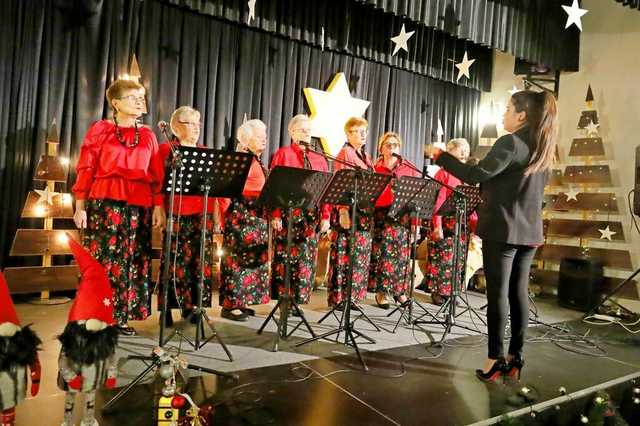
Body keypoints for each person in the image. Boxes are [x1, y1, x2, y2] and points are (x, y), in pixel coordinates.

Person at [432, 90, 558, 381]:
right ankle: (516, 357)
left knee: (498, 295)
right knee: (518, 294)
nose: (503, 115)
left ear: (521, 115)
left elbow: (477, 175)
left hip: (503, 230)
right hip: (529, 232)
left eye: (507, 109)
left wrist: (442, 158)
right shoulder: (544, 146)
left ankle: (495, 359)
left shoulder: (511, 142)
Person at [72, 79, 166, 336]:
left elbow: (156, 175)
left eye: (141, 96)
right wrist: (80, 206)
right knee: (104, 260)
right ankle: (97, 315)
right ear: (115, 102)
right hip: (105, 201)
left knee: (133, 260)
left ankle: (122, 316)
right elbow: (86, 167)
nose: (139, 101)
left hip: (139, 205)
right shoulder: (100, 129)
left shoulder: (148, 135)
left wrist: (159, 206)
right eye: (133, 96)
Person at [157, 107, 216, 327]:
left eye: (198, 123)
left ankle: (191, 307)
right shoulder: (167, 150)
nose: (196, 128)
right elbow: (157, 184)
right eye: (191, 123)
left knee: (198, 263)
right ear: (176, 126)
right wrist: (160, 209)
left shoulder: (205, 151)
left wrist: (215, 216)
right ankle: (166, 309)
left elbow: (213, 190)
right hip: (176, 212)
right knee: (173, 262)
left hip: (202, 214)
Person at [269, 115, 330, 314]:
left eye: (309, 130)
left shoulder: (319, 158)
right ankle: (284, 300)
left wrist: (326, 216)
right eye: (302, 130)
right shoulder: (283, 154)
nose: (306, 133)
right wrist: (276, 214)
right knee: (286, 258)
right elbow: (274, 186)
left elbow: (324, 190)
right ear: (291, 132)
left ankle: (298, 299)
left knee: (306, 259)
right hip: (288, 215)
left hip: (310, 217)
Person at [219, 119, 271, 321]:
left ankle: (244, 300)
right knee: (237, 260)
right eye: (259, 136)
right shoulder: (240, 159)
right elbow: (225, 190)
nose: (264, 139)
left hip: (256, 214)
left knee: (251, 260)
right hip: (241, 213)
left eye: (264, 135)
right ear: (247, 139)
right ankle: (230, 304)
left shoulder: (256, 160)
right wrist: (224, 216)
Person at [368, 132, 420, 309]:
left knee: (401, 256)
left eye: (395, 145)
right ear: (381, 148)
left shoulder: (408, 168)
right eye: (388, 144)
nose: (392, 148)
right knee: (382, 255)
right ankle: (381, 293)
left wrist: (415, 226)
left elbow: (415, 199)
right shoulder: (375, 167)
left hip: (402, 217)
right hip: (381, 216)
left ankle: (400, 292)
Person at [327, 117, 374, 308]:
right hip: (349, 211)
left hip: (364, 214)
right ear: (348, 134)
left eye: (364, 131)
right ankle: (339, 298)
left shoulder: (366, 156)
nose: (363, 134)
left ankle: (351, 296)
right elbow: (341, 185)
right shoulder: (345, 153)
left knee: (358, 256)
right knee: (344, 254)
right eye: (357, 131)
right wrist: (343, 211)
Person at [423, 138, 476, 306]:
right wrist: (437, 225)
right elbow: (437, 200)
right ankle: (438, 292)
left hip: (462, 224)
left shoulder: (468, 173)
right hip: (445, 222)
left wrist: (475, 226)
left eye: (466, 149)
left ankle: (453, 291)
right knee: (442, 258)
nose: (464, 152)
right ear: (449, 152)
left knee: (458, 259)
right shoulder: (443, 172)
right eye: (460, 149)